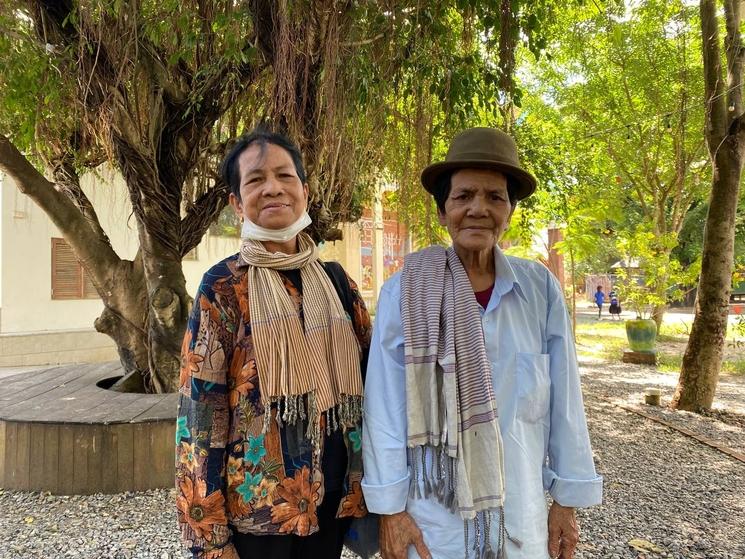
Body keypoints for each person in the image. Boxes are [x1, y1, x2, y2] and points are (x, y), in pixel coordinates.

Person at [361, 127, 602, 559]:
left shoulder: (539, 290)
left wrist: (566, 500)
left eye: (495, 197)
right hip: (433, 519)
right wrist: (390, 512)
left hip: (521, 514)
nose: (479, 209)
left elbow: (565, 401)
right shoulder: (405, 293)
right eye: (463, 196)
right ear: (442, 212)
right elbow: (384, 410)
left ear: (510, 211)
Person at [176, 127, 372, 559]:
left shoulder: (337, 284)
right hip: (256, 518)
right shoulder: (223, 288)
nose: (272, 188)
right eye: (255, 180)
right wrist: (209, 537)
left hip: (332, 502)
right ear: (235, 202)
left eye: (285, 176)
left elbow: (375, 387)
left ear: (304, 190)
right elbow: (200, 418)